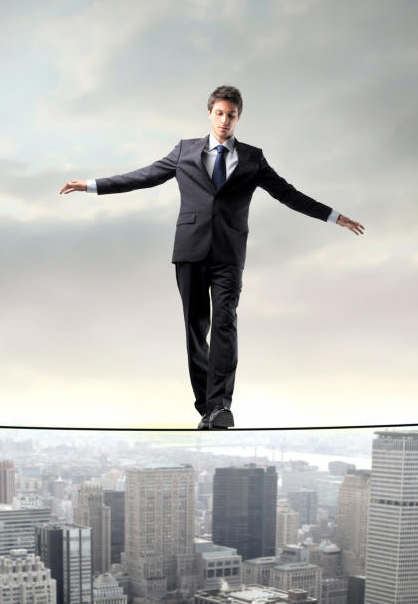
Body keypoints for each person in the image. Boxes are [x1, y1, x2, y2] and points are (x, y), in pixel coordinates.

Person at [61, 85, 363, 429]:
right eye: (219, 113)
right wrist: (91, 185)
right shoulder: (184, 151)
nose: (224, 120)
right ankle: (206, 407)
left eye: (231, 115)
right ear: (210, 114)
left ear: (239, 117)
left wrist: (333, 215)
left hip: (228, 253)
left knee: (224, 322)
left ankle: (221, 406)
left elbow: (287, 194)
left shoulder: (253, 158)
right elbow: (142, 177)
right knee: (195, 327)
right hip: (189, 249)